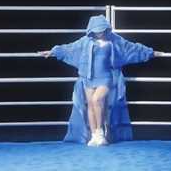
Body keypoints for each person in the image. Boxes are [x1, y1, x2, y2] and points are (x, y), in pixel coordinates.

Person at [38, 15, 163, 146]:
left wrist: (151, 52)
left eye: (101, 30)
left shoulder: (115, 40)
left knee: (97, 100)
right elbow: (70, 48)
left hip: (106, 77)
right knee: (90, 105)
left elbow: (131, 48)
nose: (99, 33)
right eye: (96, 30)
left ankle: (100, 133)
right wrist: (54, 51)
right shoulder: (84, 41)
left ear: (106, 29)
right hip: (88, 77)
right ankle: (94, 136)